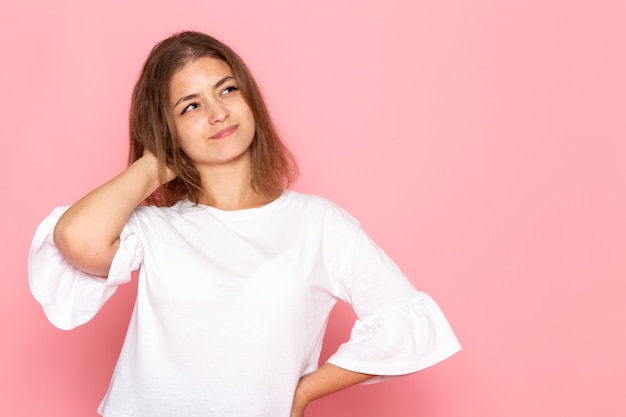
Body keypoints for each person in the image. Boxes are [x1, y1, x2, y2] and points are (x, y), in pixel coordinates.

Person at [28, 31, 461, 417]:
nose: (218, 113)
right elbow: (74, 238)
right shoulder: (153, 230)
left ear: (249, 97)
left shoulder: (318, 224)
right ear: (168, 129)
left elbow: (407, 324)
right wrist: (156, 163)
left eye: (227, 90)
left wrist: (305, 391)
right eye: (191, 106)